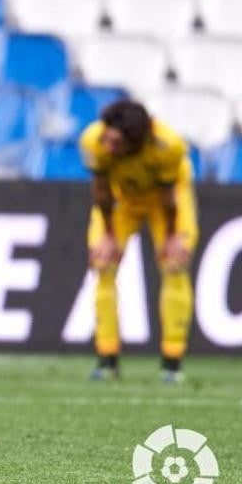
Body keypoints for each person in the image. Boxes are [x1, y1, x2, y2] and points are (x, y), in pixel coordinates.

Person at [79, 100, 196, 383]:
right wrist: (108, 235)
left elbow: (169, 200)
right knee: (103, 263)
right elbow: (101, 190)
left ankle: (172, 361)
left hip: (163, 204)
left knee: (174, 265)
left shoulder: (168, 145)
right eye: (107, 139)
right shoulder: (94, 139)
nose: (108, 147)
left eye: (116, 144)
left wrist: (170, 238)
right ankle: (107, 358)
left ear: (138, 140)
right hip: (123, 201)